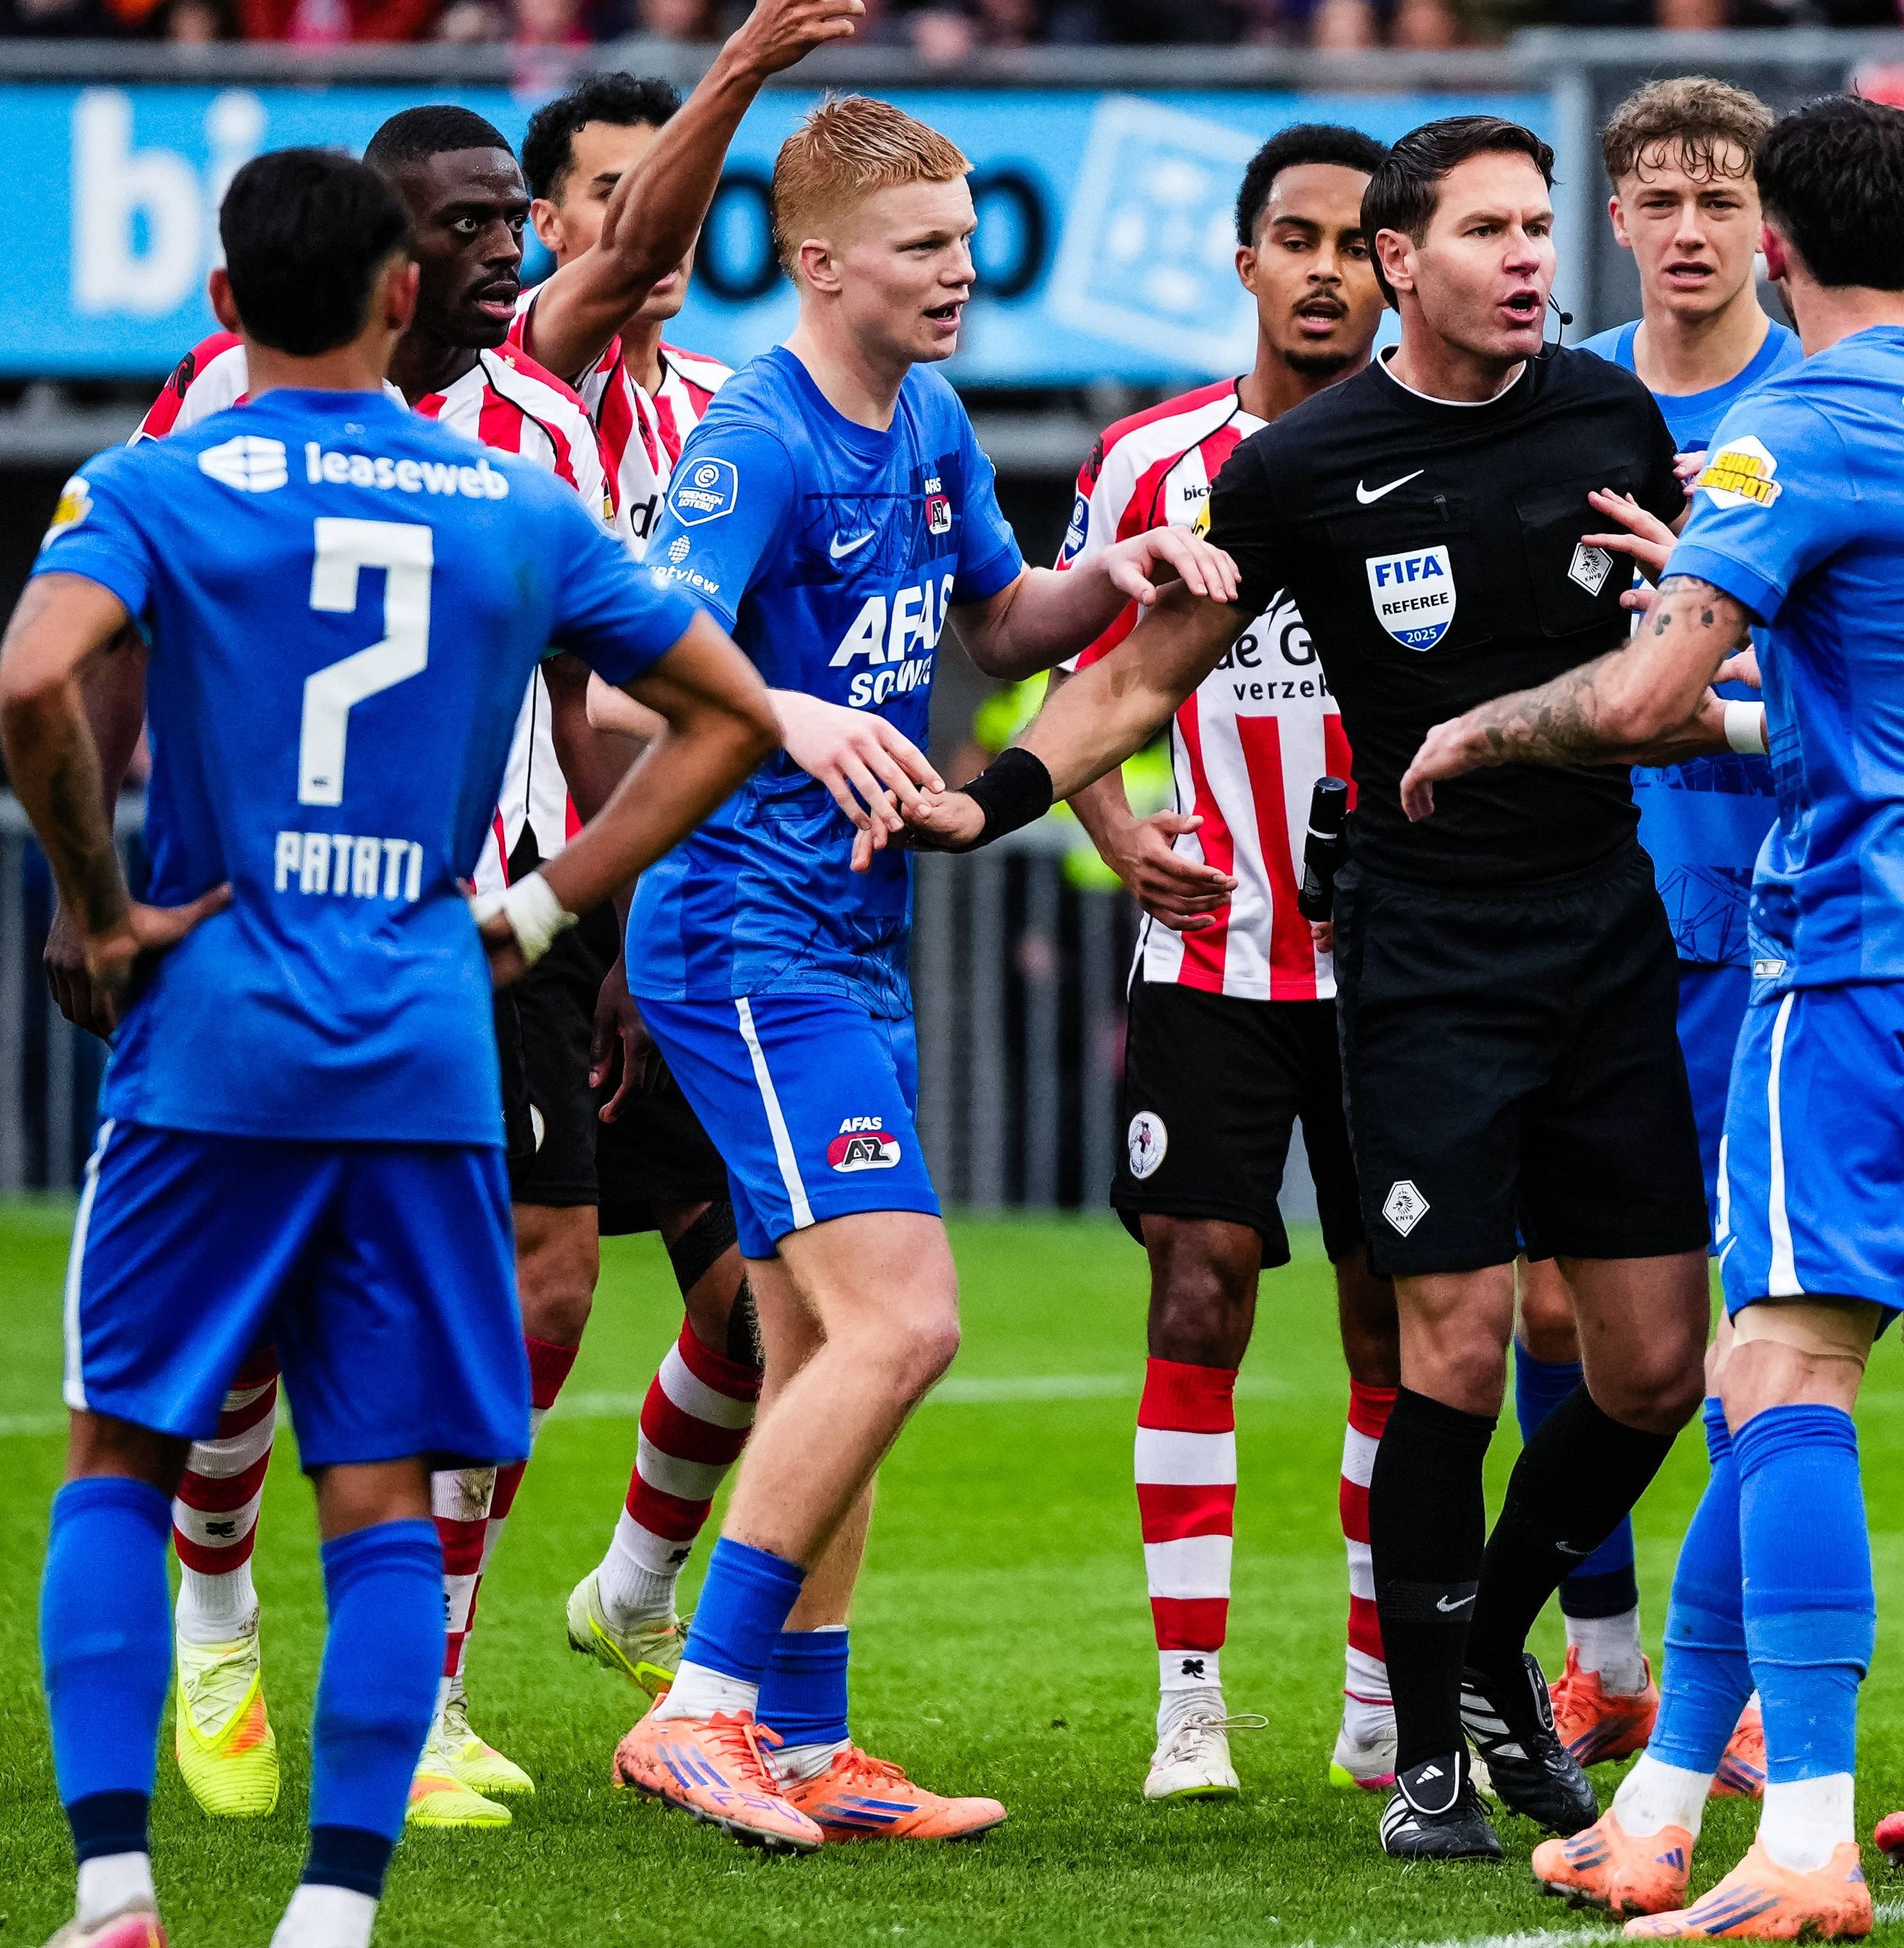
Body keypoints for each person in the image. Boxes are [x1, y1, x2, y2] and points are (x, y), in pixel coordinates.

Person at [898, 115, 1714, 1864]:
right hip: (1413, 952)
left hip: (1600, 925)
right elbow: (1130, 689)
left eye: (1537, 227)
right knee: (1450, 1354)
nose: (1526, 256)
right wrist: (992, 798)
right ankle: (1428, 1759)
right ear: (1404, 260)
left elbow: (1683, 635)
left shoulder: (1605, 417)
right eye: (1489, 228)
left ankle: (1487, 1644)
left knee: (1651, 1368)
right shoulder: (1300, 471)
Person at [13, 145, 777, 1948]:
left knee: (121, 1449)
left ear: (221, 310)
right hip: (425, 1027)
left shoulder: (150, 477)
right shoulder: (510, 493)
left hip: (209, 1035)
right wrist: (538, 908)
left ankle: (116, 1886)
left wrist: (100, 898)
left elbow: (33, 678)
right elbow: (726, 712)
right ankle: (338, 1909)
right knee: (379, 1483)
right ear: (397, 300)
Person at [1382, 90, 1904, 1938]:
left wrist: (1481, 721)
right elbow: (1867, 685)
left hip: (1851, 960)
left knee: (1781, 1372)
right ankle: (1662, 1804)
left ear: (1771, 239)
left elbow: (1637, 705)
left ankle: (1807, 1833)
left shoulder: (1792, 427)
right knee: (1756, 1353)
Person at [613, 92, 1233, 1852]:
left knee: (826, 1344)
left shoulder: (932, 411)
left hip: (850, 926)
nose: (960, 274)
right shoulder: (755, 438)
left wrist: (1105, 574)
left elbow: (1002, 623)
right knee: (909, 1323)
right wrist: (785, 707)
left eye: (963, 243)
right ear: (817, 265)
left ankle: (805, 1739)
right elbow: (643, 656)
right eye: (923, 250)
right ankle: (704, 1707)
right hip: (744, 931)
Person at [115, 101, 633, 1835]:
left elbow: (587, 692)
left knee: (532, 1295)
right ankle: (215, 1628)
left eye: (515, 222)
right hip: (271, 923)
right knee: (264, 1310)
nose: (509, 250)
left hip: (492, 924)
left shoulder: (544, 418)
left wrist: (594, 914)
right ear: (376, 248)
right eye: (472, 224)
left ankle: (424, 1697)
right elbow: (116, 623)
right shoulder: (217, 395)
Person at [508, 29, 935, 1722]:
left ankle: (679, 1620)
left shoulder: (748, 408)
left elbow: (989, 610)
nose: (657, 229)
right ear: (554, 226)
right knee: (552, 1277)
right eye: (618, 195)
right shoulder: (533, 395)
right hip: (565, 890)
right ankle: (472, 1682)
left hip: (726, 898)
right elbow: (611, 689)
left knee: (785, 1317)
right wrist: (751, 63)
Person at [1040, 121, 1408, 1805]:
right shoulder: (1144, 465)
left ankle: (1375, 1684)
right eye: (1298, 238)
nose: (1327, 269)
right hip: (1213, 954)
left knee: (1393, 1325)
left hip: (1405, 967)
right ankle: (1188, 1700)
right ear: (1244, 260)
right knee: (1198, 1279)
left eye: (1357, 240)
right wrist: (1113, 833)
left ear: (1395, 265)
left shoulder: (1448, 450)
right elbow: (1075, 682)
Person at [1532, 70, 1805, 1777]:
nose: (1690, 231)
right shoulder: (1557, 408)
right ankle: (1604, 1658)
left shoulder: (1825, 405)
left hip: (1771, 920)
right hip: (1576, 914)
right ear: (1612, 220)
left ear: (1761, 223)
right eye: (1661, 201)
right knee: (1560, 1317)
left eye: (1721, 201)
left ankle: (1748, 1682)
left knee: (1750, 1323)